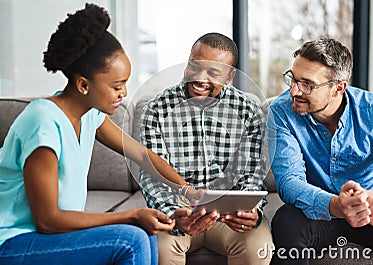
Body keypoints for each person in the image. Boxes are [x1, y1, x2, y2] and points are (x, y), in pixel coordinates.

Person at [0, 4, 201, 265]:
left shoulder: (90, 115)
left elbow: (141, 154)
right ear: (84, 84)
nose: (124, 94)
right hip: (13, 242)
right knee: (131, 240)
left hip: (47, 238)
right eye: (117, 86)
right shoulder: (43, 123)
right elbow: (47, 220)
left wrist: (190, 193)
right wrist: (130, 215)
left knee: (145, 233)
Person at [139, 32, 273, 265]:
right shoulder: (157, 109)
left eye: (213, 72)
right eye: (195, 66)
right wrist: (172, 213)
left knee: (257, 248)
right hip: (177, 209)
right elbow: (151, 173)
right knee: (159, 248)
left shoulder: (248, 111)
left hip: (227, 211)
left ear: (230, 76)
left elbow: (252, 173)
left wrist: (252, 211)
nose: (200, 78)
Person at [267, 38, 373, 264]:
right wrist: (335, 205)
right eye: (293, 79)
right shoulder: (281, 112)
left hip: (372, 214)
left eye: (307, 84)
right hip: (320, 214)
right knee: (286, 220)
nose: (293, 91)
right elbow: (289, 180)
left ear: (338, 87)